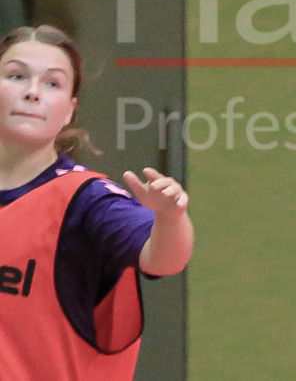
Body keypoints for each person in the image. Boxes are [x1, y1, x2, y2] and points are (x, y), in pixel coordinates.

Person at [0, 24, 193, 380]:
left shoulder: (89, 201)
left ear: (69, 111)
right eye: (16, 76)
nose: (32, 93)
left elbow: (164, 259)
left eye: (52, 83)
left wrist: (171, 218)